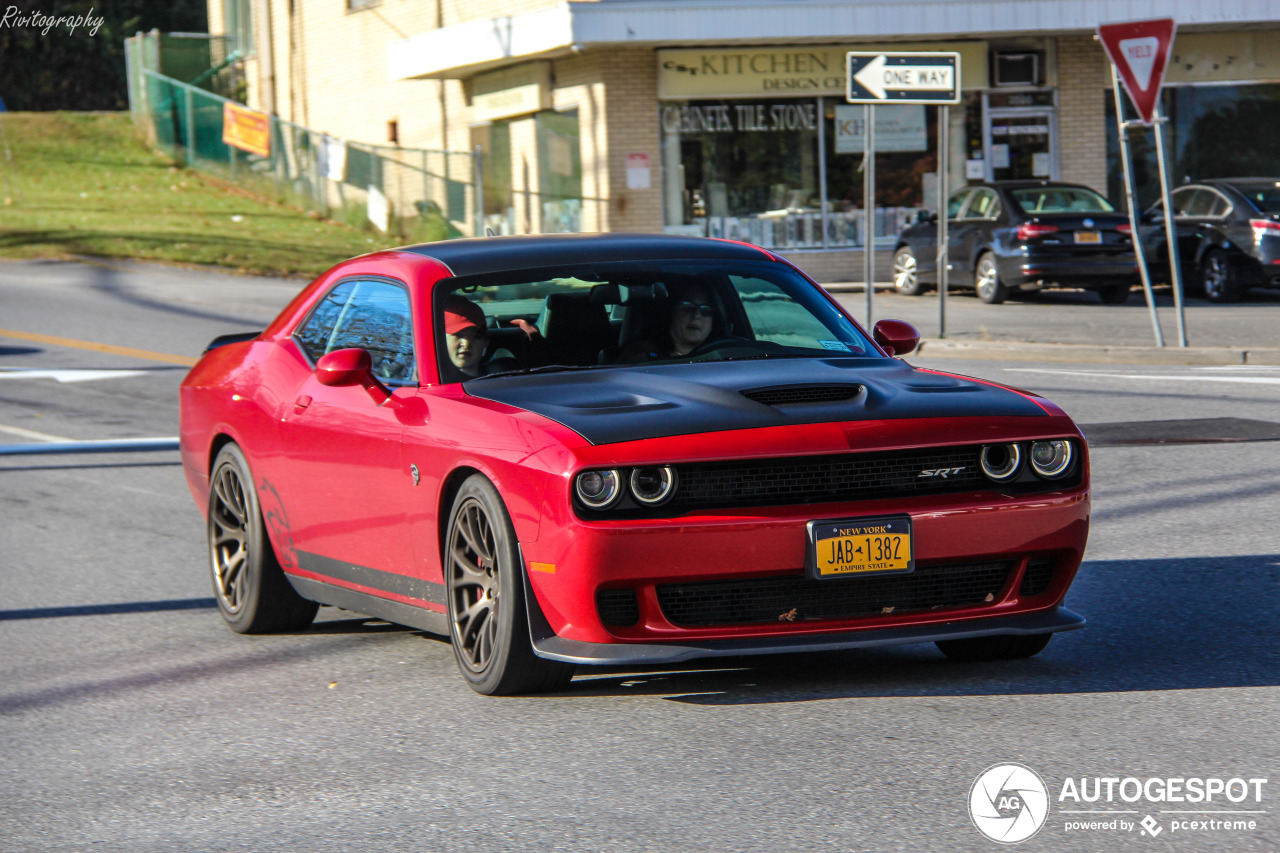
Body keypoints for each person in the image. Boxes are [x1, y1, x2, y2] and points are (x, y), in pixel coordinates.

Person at [442, 293, 541, 379]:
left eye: (476, 337)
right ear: (440, 340)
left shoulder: (503, 378)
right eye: (458, 335)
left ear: (485, 342)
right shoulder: (433, 383)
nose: (466, 344)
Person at [617, 282, 723, 362]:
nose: (696, 315)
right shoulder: (640, 355)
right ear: (671, 312)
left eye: (705, 310)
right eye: (687, 306)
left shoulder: (725, 357)